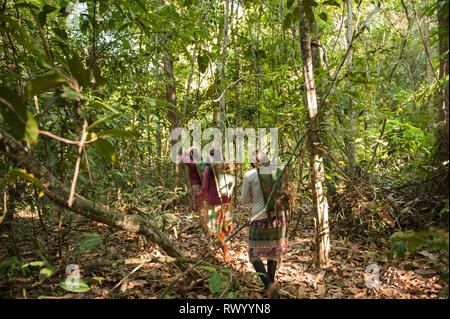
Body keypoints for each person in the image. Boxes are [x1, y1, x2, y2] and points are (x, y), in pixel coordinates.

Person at [240, 151, 289, 299]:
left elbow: (244, 200)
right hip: (279, 217)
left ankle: (269, 285)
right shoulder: (277, 172)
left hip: (259, 217)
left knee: (254, 254)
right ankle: (271, 283)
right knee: (273, 250)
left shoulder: (249, 175)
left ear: (253, 163)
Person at [195, 149, 233, 262]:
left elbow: (205, 187)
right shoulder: (227, 168)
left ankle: (225, 250)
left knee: (214, 229)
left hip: (214, 203)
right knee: (223, 229)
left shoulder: (209, 169)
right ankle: (220, 251)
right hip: (226, 202)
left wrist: (199, 195)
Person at [180, 147, 208, 233]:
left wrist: (189, 149)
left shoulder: (192, 164)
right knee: (205, 207)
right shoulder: (203, 164)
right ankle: (206, 226)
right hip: (205, 186)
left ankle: (205, 229)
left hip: (196, 187)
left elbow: (182, 157)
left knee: (201, 209)